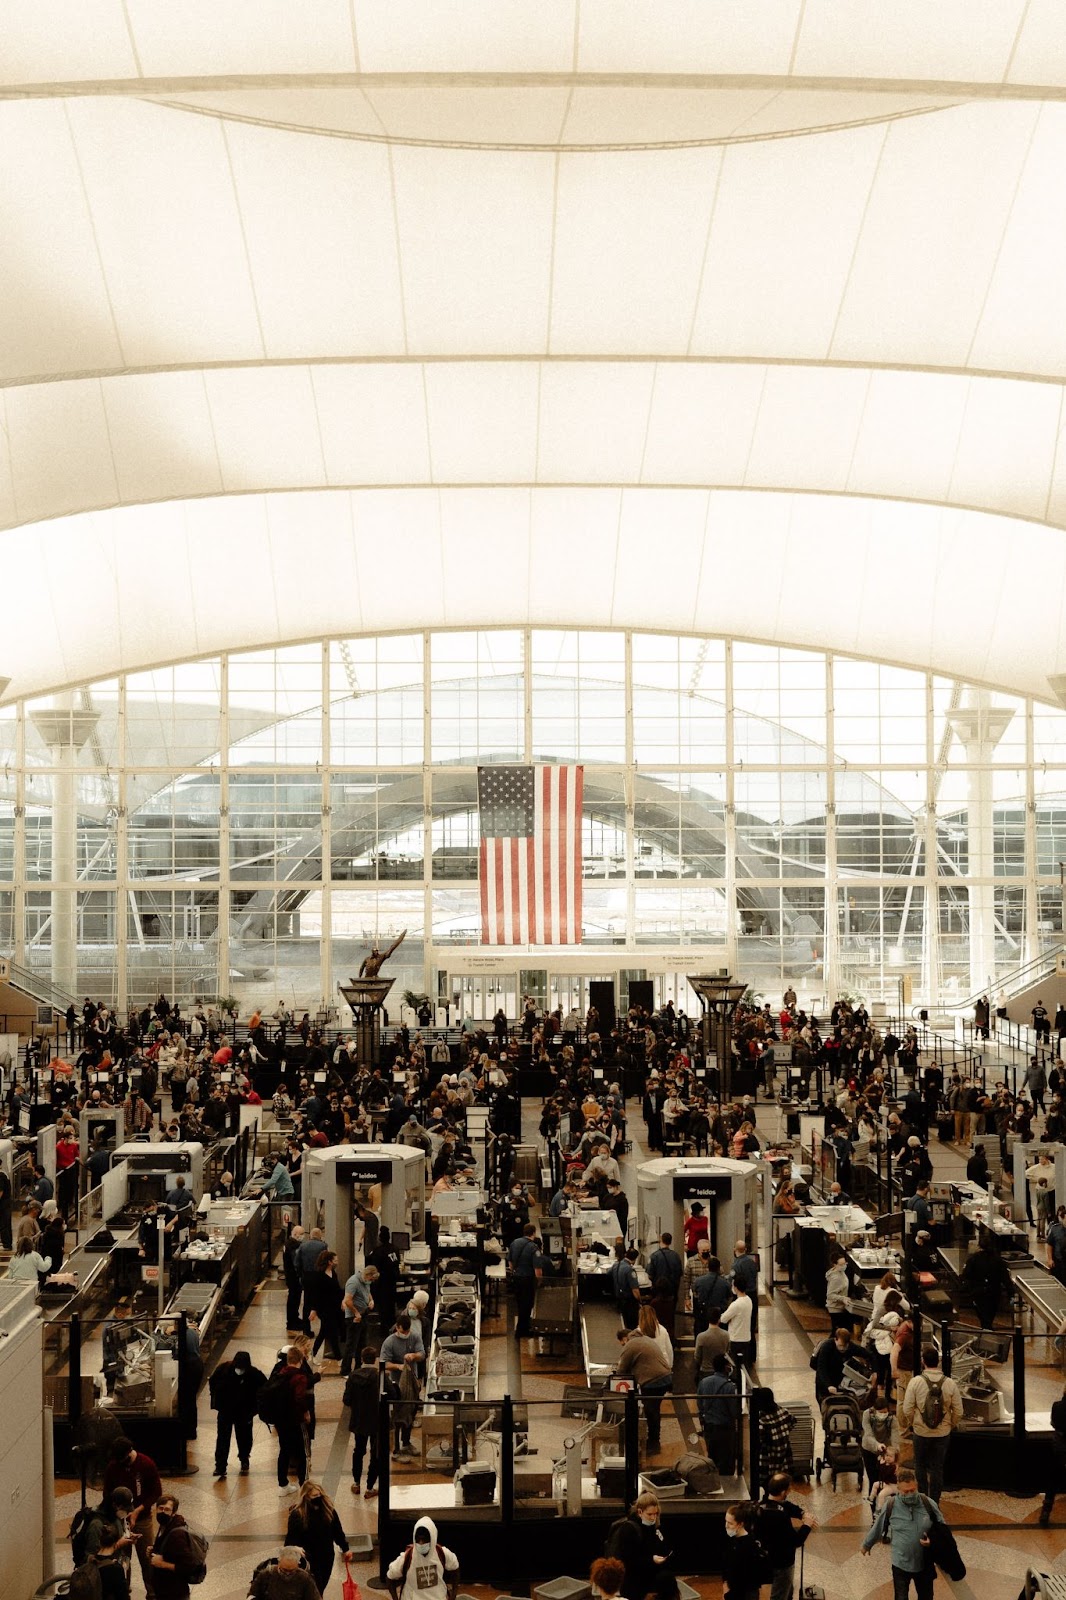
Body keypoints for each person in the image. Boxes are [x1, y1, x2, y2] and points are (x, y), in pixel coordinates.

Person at [861, 1464, 946, 1600]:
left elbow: (943, 1529)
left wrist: (933, 1541)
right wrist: (867, 1544)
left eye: (913, 1490)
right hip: (900, 1563)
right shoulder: (891, 1505)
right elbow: (879, 1525)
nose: (910, 1494)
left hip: (924, 1563)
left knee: (926, 1596)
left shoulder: (928, 1504)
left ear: (916, 1486)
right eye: (906, 1492)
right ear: (898, 1489)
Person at [901, 1345, 963, 1504]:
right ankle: (934, 1502)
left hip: (921, 1432)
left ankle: (922, 1499)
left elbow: (907, 1408)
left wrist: (914, 1424)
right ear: (938, 1362)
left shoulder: (915, 1382)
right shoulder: (949, 1383)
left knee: (919, 1465)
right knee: (937, 1468)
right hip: (942, 1434)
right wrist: (949, 1425)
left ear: (923, 1362)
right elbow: (959, 1411)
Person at [103, 1436, 162, 1599]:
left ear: (129, 1454)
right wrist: (118, 1514)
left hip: (142, 1519)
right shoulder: (113, 1467)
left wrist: (137, 1511)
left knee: (147, 1556)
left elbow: (156, 1492)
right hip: (120, 1520)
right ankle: (123, 1591)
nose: (119, 1464)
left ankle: (152, 1592)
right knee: (122, 1559)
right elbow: (107, 1494)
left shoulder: (146, 1464)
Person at [285, 1480, 350, 1597]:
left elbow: (337, 1532)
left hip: (326, 1557)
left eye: (320, 1495)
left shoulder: (328, 1510)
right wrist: (294, 1549)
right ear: (306, 1497)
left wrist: (345, 1548)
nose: (318, 1498)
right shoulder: (297, 1515)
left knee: (320, 1588)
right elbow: (290, 1541)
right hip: (308, 1560)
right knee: (315, 1590)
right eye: (315, 1496)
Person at [209, 1349, 266, 1478]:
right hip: (226, 1411)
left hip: (244, 1412)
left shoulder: (254, 1374)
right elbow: (213, 1383)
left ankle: (244, 1458)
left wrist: (256, 1407)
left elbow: (265, 1388)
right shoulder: (224, 1370)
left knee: (244, 1437)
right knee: (223, 1438)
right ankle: (220, 1466)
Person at [615, 1325, 673, 1452]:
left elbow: (621, 1370)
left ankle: (654, 1443)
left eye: (622, 1344)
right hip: (665, 1376)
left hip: (653, 1381)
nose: (623, 1346)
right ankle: (652, 1439)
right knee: (654, 1409)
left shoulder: (630, 1345)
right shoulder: (645, 1339)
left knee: (651, 1411)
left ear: (624, 1339)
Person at [605, 1492, 672, 1600]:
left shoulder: (654, 1526)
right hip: (634, 1586)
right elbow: (629, 1560)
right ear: (640, 1512)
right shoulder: (629, 1529)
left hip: (650, 1581)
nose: (653, 1517)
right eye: (649, 1514)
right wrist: (651, 1560)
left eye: (655, 1514)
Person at [760, 1471, 814, 1600]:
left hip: (764, 1560)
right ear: (784, 1492)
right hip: (782, 1564)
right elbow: (795, 1541)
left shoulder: (759, 1507)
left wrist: (801, 1513)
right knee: (780, 1594)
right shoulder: (781, 1516)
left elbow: (786, 1506)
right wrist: (807, 1525)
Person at [380, 1313, 425, 1458]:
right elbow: (384, 1363)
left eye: (407, 1331)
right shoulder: (389, 1342)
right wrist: (398, 1366)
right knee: (397, 1415)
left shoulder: (415, 1336)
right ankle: (396, 1448)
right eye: (402, 1331)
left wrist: (414, 1356)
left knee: (411, 1412)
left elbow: (422, 1353)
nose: (405, 1334)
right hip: (396, 1384)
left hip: (412, 1383)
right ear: (397, 1328)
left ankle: (406, 1442)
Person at [385, 1515, 459, 1600]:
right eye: (418, 1539)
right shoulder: (407, 1557)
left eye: (424, 1539)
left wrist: (453, 1595)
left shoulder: (442, 1553)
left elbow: (455, 1568)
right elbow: (389, 1577)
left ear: (433, 1538)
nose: (421, 1543)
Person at [273, 1345, 312, 1494]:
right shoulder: (299, 1376)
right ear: (300, 1360)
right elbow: (300, 1398)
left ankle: (283, 1485)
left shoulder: (280, 1372)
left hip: (281, 1419)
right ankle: (304, 1484)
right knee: (303, 1451)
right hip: (295, 1420)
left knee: (284, 1450)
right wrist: (306, 1412)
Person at [344, 1343, 380, 1499]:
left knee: (358, 1451)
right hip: (376, 1421)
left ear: (361, 1359)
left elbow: (346, 1399)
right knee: (375, 1453)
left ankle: (356, 1483)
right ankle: (370, 1487)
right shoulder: (380, 1376)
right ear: (375, 1360)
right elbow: (392, 1394)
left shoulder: (353, 1376)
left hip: (359, 1421)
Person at [149, 1494, 197, 1600]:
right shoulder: (165, 1526)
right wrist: (154, 1550)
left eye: (167, 1509)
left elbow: (189, 1566)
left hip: (175, 1593)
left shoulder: (177, 1534)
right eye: (160, 1508)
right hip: (164, 1590)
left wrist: (162, 1564)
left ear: (173, 1513)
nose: (163, 1512)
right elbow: (169, 1551)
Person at [698, 1353, 739, 1475]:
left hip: (709, 1428)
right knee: (726, 1461)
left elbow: (700, 1404)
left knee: (712, 1457)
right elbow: (733, 1411)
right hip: (725, 1429)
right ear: (726, 1368)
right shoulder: (729, 1387)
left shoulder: (704, 1382)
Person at [722, 1501, 769, 1600]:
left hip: (745, 1594)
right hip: (733, 1591)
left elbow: (749, 1576)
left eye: (730, 1523)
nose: (726, 1526)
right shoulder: (731, 1539)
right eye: (726, 1521)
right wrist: (725, 1585)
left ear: (740, 1524)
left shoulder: (749, 1545)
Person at [960, 1240, 1011, 1329]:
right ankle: (988, 1328)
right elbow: (1005, 1278)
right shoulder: (998, 1260)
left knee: (982, 1314)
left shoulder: (973, 1259)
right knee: (990, 1313)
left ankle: (985, 1329)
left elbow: (966, 1275)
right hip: (994, 1291)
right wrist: (1011, 1293)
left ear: (980, 1247)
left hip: (978, 1291)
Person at [340, 1263, 378, 1377]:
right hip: (354, 1317)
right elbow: (347, 1300)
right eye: (371, 1278)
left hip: (364, 1314)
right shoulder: (353, 1282)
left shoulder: (366, 1281)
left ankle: (358, 1368)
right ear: (367, 1275)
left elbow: (368, 1292)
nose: (371, 1281)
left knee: (362, 1344)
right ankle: (345, 1370)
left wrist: (371, 1300)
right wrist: (356, 1313)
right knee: (351, 1345)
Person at [861, 1394, 901, 1497]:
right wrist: (877, 1445)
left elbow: (895, 1438)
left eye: (885, 1412)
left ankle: (887, 1507)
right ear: (875, 1409)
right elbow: (868, 1434)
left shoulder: (892, 1419)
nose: (883, 1414)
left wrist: (896, 1457)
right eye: (881, 1412)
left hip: (885, 1452)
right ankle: (874, 1507)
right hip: (869, 1449)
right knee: (873, 1479)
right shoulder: (867, 1414)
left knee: (887, 1480)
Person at [1038, 1380, 1066, 1525]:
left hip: (1059, 1446)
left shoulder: (1057, 1406)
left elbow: (1053, 1423)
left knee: (1053, 1479)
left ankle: (1046, 1511)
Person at [509, 1221, 542, 1338]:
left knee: (520, 1303)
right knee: (527, 1305)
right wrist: (540, 1282)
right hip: (527, 1279)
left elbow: (510, 1263)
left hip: (517, 1278)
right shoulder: (534, 1247)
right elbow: (537, 1269)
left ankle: (522, 1328)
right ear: (533, 1233)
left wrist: (515, 1271)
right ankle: (522, 1330)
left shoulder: (515, 1243)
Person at [249, 1548, 322, 1600]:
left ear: (298, 1564)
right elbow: (252, 1594)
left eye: (292, 1571)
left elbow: (315, 1597)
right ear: (279, 1562)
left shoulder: (305, 1578)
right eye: (284, 1570)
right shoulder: (266, 1574)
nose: (287, 1573)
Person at [721, 1280, 755, 1370]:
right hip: (746, 1337)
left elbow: (723, 1319)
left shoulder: (736, 1304)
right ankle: (743, 1382)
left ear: (735, 1288)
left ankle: (738, 1383)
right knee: (744, 1366)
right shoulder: (749, 1300)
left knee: (735, 1365)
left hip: (736, 1339)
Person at [813, 1328, 851, 1404]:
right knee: (823, 1402)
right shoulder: (825, 1347)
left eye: (844, 1346)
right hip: (823, 1380)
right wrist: (828, 1385)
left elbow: (868, 1354)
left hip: (836, 1378)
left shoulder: (849, 1346)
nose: (842, 1348)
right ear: (835, 1340)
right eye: (840, 1345)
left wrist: (875, 1372)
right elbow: (821, 1369)